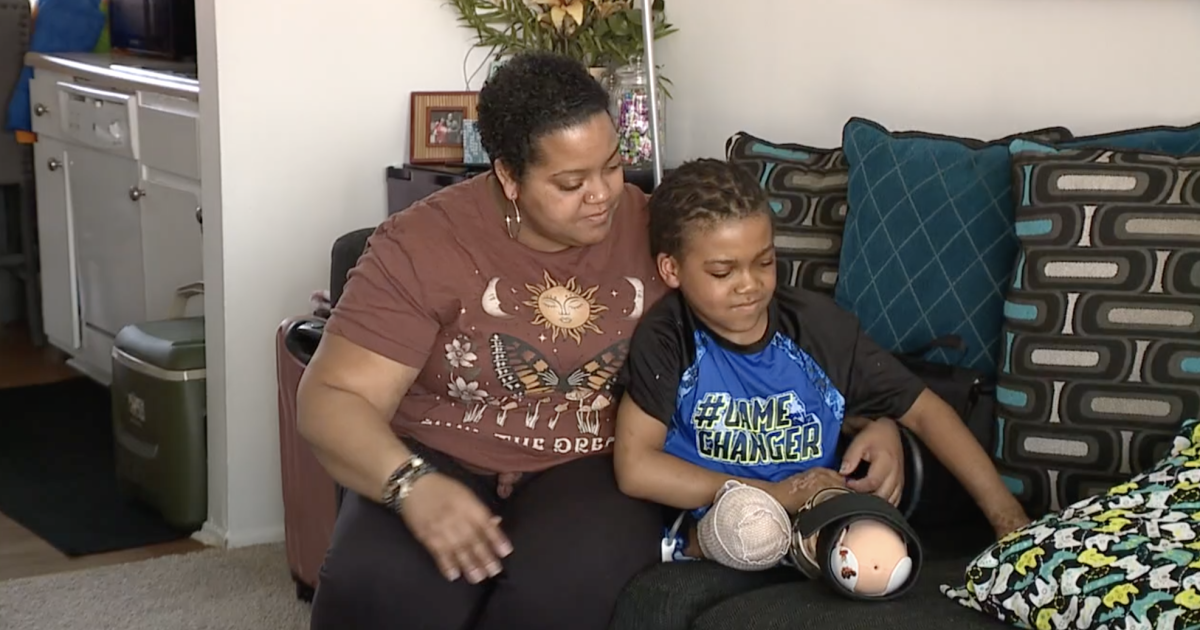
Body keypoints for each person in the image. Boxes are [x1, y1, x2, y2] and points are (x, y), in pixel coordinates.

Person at [296, 51, 669, 630]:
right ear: (509, 177)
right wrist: (410, 485)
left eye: (613, 166)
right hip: (438, 451)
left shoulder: (658, 229)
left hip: (591, 459)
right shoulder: (423, 242)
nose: (602, 195)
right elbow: (331, 398)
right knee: (380, 589)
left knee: (564, 590)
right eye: (571, 182)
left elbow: (751, 313)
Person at [609, 159, 1033, 626]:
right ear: (671, 269)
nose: (750, 285)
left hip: (819, 507)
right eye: (722, 271)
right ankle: (698, 545)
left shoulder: (816, 327)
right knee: (755, 530)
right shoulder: (668, 338)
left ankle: (809, 554)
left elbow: (926, 411)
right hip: (727, 512)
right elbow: (636, 466)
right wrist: (775, 493)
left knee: (882, 558)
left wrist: (1009, 522)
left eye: (764, 262)